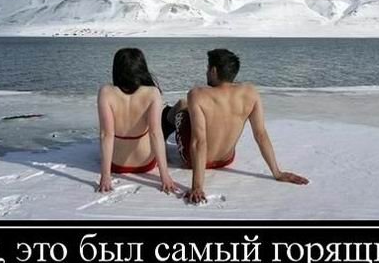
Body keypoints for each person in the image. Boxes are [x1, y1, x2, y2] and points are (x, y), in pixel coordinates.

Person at [162, 48, 309, 203]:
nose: (206, 72)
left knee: (182, 107)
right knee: (192, 110)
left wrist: (197, 186)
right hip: (226, 159)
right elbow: (260, 134)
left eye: (207, 68)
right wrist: (277, 172)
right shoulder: (250, 92)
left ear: (213, 71)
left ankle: (163, 124)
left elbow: (199, 142)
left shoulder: (197, 94)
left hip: (193, 161)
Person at [97, 48, 176, 194]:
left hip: (116, 163)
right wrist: (164, 176)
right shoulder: (152, 92)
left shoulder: (106, 92)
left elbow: (106, 134)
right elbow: (155, 134)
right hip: (145, 162)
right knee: (158, 129)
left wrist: (105, 176)